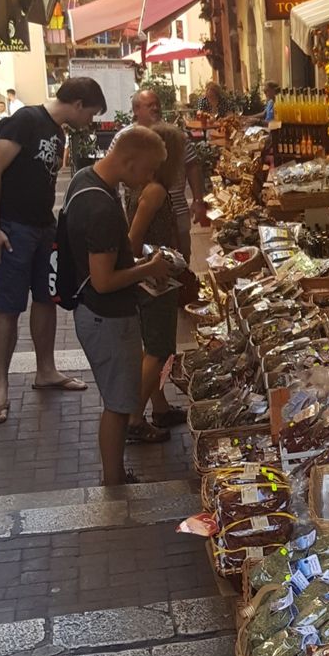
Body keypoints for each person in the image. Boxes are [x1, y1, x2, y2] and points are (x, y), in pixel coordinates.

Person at [0, 74, 107, 426]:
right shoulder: (27, 120)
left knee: (45, 298)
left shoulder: (59, 131)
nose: (90, 122)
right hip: (15, 228)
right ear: (78, 104)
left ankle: (46, 370)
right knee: (8, 305)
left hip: (42, 226)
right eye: (91, 113)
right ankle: (1, 386)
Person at [63, 125, 175, 487]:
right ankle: (113, 478)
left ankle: (115, 473)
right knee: (117, 403)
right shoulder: (102, 207)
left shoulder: (85, 179)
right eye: (146, 170)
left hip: (94, 311)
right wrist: (150, 268)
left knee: (118, 398)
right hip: (105, 316)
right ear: (129, 161)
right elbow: (104, 280)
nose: (146, 180)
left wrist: (138, 261)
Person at [124, 122, 187, 442]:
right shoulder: (155, 191)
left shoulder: (142, 186)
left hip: (151, 278)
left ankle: (159, 406)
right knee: (159, 350)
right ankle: (135, 418)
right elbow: (133, 242)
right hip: (154, 281)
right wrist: (156, 262)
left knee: (155, 347)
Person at [130, 87, 207, 261]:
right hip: (143, 213)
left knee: (180, 260)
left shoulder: (175, 136)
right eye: (149, 105)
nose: (155, 108)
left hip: (177, 211)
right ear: (136, 109)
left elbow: (193, 166)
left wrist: (198, 200)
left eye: (157, 104)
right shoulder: (126, 137)